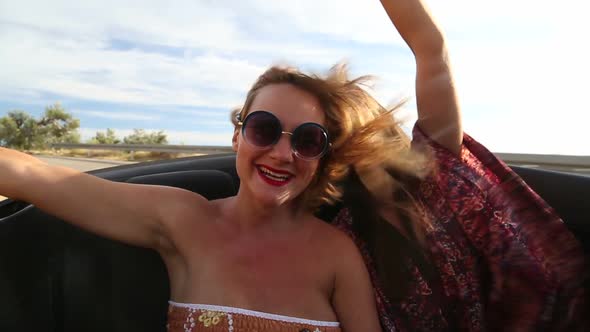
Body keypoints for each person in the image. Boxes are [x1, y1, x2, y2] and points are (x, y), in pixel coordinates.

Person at [0, 1, 586, 332]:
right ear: (237, 133)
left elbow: (430, 50)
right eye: (263, 130)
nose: (282, 152)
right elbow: (33, 176)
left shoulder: (340, 253)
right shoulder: (181, 220)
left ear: (325, 155)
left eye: (308, 140)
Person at [313, 0, 588, 331]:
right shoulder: (341, 240)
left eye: (344, 120)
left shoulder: (437, 164)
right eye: (324, 133)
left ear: (374, 122)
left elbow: (431, 46)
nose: (341, 137)